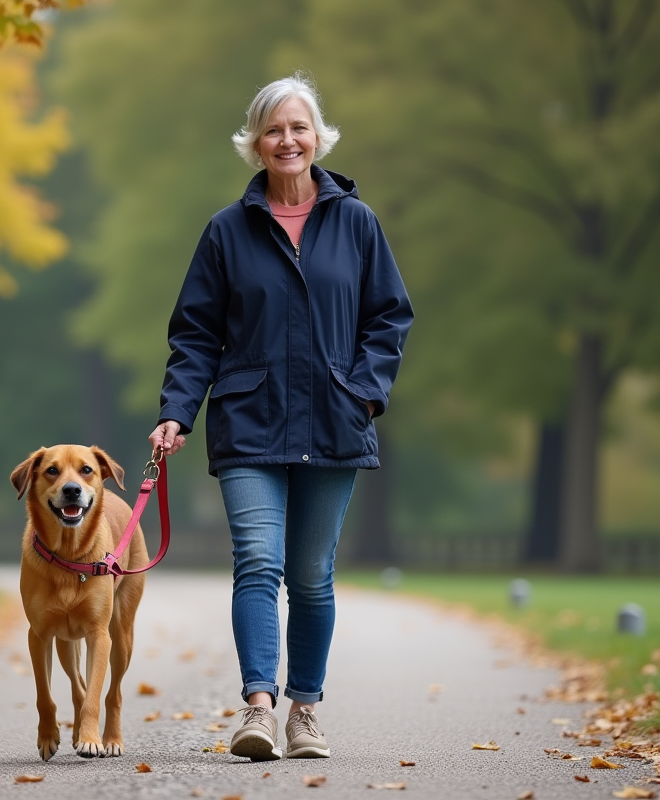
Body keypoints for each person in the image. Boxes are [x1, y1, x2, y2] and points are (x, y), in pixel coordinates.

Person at [148, 74, 413, 761]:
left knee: (311, 577)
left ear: (317, 137)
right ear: (255, 144)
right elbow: (196, 333)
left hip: (334, 418)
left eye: (298, 127)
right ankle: (259, 710)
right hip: (250, 423)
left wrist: (364, 390)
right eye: (273, 129)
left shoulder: (357, 223)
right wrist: (177, 411)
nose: (287, 140)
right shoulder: (226, 233)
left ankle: (305, 712)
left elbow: (388, 317)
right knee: (257, 562)